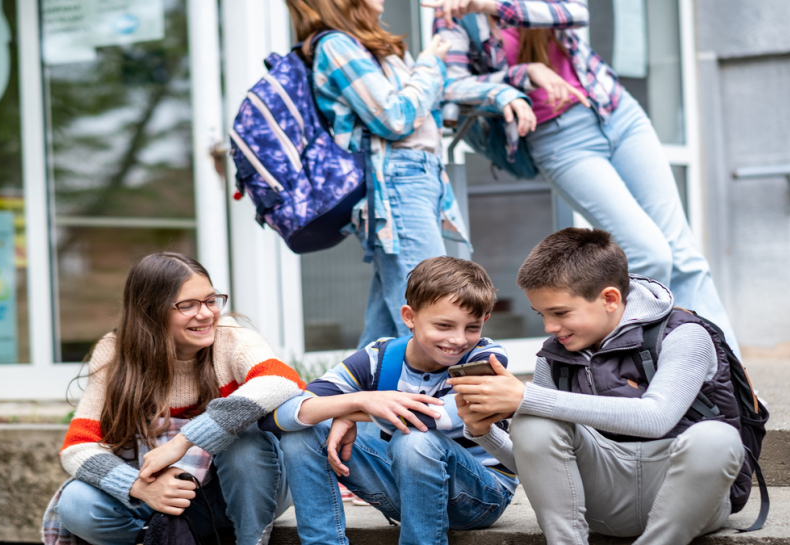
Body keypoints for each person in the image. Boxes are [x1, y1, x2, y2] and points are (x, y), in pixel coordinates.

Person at [430, 0, 742, 354]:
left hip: (616, 112)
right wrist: (522, 74)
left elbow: (575, 11)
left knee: (685, 256)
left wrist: (490, 5)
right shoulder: (453, 14)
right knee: (650, 254)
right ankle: (652, 370)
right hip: (561, 140)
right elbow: (451, 86)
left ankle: (730, 381)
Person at [450, 228, 746, 545]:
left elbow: (657, 417)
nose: (550, 328)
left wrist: (528, 396)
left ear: (609, 298)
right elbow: (542, 465)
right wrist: (486, 434)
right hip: (604, 503)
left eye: (560, 313)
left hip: (690, 504)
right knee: (533, 422)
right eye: (542, 314)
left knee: (718, 437)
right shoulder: (553, 358)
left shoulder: (684, 335)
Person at [286, 0, 534, 348]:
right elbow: (395, 117)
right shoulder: (336, 45)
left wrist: (503, 93)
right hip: (398, 184)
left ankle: (349, 398)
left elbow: (436, 91)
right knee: (432, 310)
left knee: (389, 324)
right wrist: (430, 61)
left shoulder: (366, 47)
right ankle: (433, 401)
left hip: (417, 179)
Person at [42, 253, 306, 545]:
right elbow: (78, 447)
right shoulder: (115, 351)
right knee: (77, 503)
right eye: (187, 305)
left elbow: (281, 380)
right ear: (150, 311)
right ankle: (164, 539)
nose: (206, 313)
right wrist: (139, 487)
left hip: (240, 490)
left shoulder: (233, 339)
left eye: (210, 300)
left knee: (244, 441)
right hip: (160, 495)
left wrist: (185, 440)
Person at [261, 256, 517, 544]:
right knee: (304, 433)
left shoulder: (484, 357)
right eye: (444, 326)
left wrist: (355, 410)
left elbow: (441, 416)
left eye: (472, 327)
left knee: (415, 440)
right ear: (409, 316)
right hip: (406, 486)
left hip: (480, 495)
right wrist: (358, 401)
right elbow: (278, 417)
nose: (458, 340)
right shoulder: (378, 358)